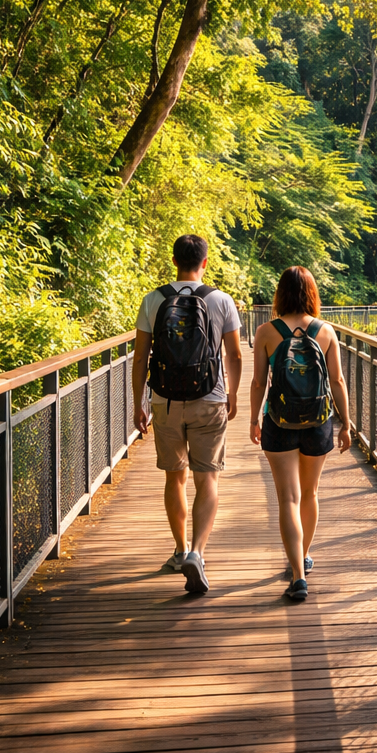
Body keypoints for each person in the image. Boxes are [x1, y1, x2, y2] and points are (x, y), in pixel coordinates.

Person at [132, 234, 243, 594]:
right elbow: (236, 355)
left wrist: (139, 403)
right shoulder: (221, 300)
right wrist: (233, 394)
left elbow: (140, 357)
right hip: (210, 397)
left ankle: (180, 550)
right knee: (207, 477)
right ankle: (198, 551)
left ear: (174, 260)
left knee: (174, 476)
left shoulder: (153, 299)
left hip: (164, 399)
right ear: (205, 262)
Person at [248, 266, 353, 602]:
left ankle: (296, 575)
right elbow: (337, 381)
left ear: (280, 294)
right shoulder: (326, 332)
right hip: (318, 421)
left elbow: (257, 382)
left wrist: (253, 418)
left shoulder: (267, 331)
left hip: (278, 422)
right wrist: (347, 424)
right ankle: (303, 557)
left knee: (288, 499)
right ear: (312, 293)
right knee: (309, 494)